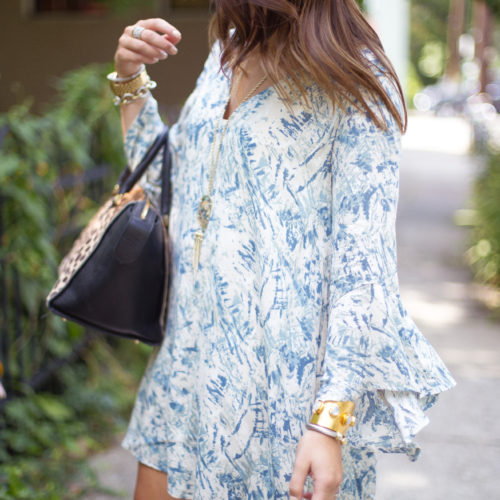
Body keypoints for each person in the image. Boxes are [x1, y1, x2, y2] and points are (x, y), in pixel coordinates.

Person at [109, 1, 455, 499]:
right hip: (186, 375)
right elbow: (169, 188)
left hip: (285, 401)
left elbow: (364, 271)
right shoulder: (227, 51)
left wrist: (330, 421)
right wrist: (130, 76)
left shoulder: (354, 73)